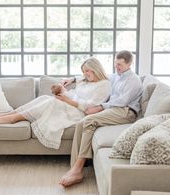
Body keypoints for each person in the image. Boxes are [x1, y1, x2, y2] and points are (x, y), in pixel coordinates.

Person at [59, 50, 143, 187]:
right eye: (116, 64)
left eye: (120, 65)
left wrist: (100, 106)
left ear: (130, 63)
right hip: (114, 109)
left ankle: (78, 169)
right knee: (81, 124)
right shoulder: (117, 76)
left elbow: (122, 101)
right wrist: (73, 79)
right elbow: (96, 74)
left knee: (88, 120)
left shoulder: (133, 80)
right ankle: (74, 166)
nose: (117, 67)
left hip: (126, 112)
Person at [0, 57, 111, 150]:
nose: (85, 74)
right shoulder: (86, 79)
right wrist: (68, 85)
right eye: (83, 72)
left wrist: (67, 99)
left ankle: (13, 118)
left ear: (95, 69)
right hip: (71, 104)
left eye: (87, 71)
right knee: (44, 98)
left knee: (52, 102)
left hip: (81, 112)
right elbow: (78, 82)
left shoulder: (104, 85)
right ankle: (11, 113)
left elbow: (90, 106)